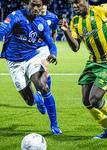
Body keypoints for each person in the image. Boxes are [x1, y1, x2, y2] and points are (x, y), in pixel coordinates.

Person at [59, 0, 107, 138]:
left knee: (94, 99)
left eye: (77, 2)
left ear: (85, 1)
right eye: (72, 3)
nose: (74, 5)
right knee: (86, 101)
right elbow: (75, 47)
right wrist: (66, 32)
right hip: (93, 62)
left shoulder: (100, 10)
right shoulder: (75, 21)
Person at [0, 0, 62, 134]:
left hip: (31, 58)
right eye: (32, 4)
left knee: (43, 86)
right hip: (14, 63)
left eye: (38, 5)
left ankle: (54, 125)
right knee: (29, 101)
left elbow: (51, 43)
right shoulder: (16, 16)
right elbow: (0, 32)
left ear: (41, 7)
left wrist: (53, 54)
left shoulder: (42, 24)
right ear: (28, 4)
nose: (35, 8)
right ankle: (37, 99)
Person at [33, 1, 62, 134]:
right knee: (35, 75)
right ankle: (40, 96)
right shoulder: (31, 16)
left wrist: (53, 46)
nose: (42, 7)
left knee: (45, 70)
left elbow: (54, 31)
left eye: (43, 5)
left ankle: (41, 95)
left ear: (46, 6)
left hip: (45, 48)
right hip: (31, 48)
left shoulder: (53, 18)